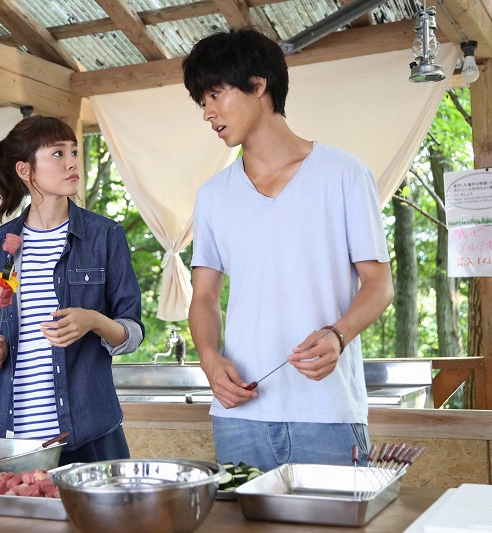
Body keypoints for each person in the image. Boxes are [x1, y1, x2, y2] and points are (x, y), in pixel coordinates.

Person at [182, 29, 394, 472]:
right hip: (238, 415)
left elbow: (379, 284)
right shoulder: (213, 195)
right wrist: (209, 358)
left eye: (215, 95)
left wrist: (339, 334)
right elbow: (203, 297)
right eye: (202, 102)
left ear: (258, 84)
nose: (208, 113)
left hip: (328, 413)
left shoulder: (344, 173)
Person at [0, 115, 144, 465]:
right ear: (25, 170)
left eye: (74, 152)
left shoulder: (104, 236)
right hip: (12, 438)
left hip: (89, 432)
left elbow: (132, 332)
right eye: (58, 153)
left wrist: (93, 320)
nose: (73, 162)